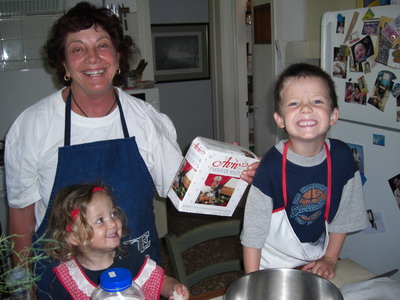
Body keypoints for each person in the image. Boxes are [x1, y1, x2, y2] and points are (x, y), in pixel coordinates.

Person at [5, 2, 183, 298]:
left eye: (102, 45)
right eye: (77, 49)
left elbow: (182, 188)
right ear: (63, 64)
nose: (92, 58)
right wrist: (24, 287)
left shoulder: (146, 119)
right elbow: (21, 216)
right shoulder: (32, 126)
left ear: (117, 56)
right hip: (60, 281)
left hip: (136, 276)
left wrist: (221, 166)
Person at [240, 63, 368, 280]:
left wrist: (330, 258)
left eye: (317, 101)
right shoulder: (270, 167)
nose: (306, 108)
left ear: (333, 115)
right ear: (280, 119)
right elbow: (254, 233)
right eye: (294, 103)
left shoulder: (343, 157)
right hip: (269, 262)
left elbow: (345, 215)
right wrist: (253, 281)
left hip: (314, 257)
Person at [45, 183, 189, 300]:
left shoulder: (130, 255)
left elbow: (159, 280)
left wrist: (173, 287)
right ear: (74, 237)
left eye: (113, 214)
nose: (113, 223)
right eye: (100, 220)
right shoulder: (67, 279)